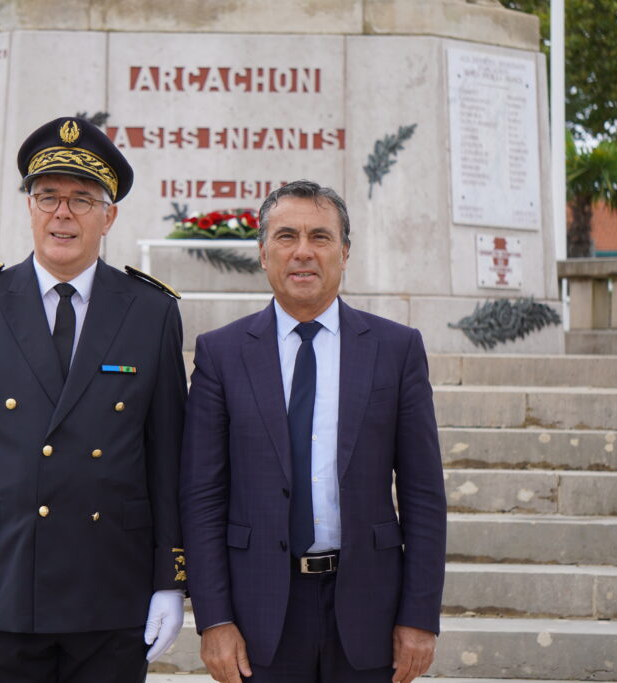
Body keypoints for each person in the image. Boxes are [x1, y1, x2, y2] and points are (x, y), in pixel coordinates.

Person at [0, 117, 188, 683]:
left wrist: (170, 579)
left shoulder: (151, 311)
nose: (62, 213)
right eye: (48, 197)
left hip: (113, 587)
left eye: (82, 200)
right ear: (30, 208)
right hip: (4, 583)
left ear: (108, 216)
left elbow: (168, 456)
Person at [180, 180, 446, 683]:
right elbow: (201, 496)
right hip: (260, 614)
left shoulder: (396, 349)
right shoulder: (221, 354)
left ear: (345, 253)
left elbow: (423, 495)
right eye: (286, 236)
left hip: (370, 609)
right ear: (263, 253)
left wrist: (419, 615)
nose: (303, 252)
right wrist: (213, 619)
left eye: (320, 237)